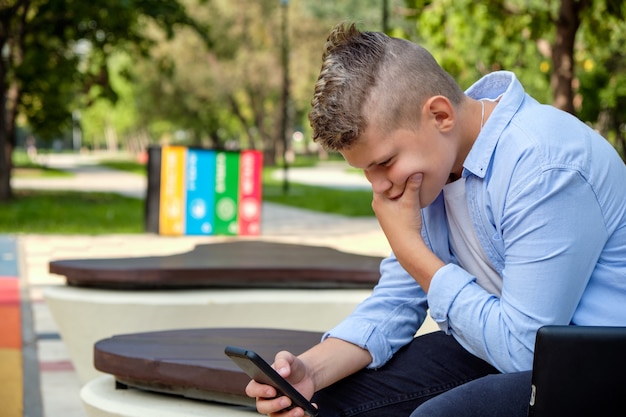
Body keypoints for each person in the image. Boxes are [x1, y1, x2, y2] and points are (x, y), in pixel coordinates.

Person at [245, 22, 626, 417]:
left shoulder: (545, 166)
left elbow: (525, 353)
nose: (379, 188)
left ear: (440, 114)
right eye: (365, 171)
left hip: (598, 370)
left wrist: (412, 251)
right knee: (325, 403)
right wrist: (311, 372)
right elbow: (396, 302)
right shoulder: (434, 169)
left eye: (385, 163)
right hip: (502, 351)